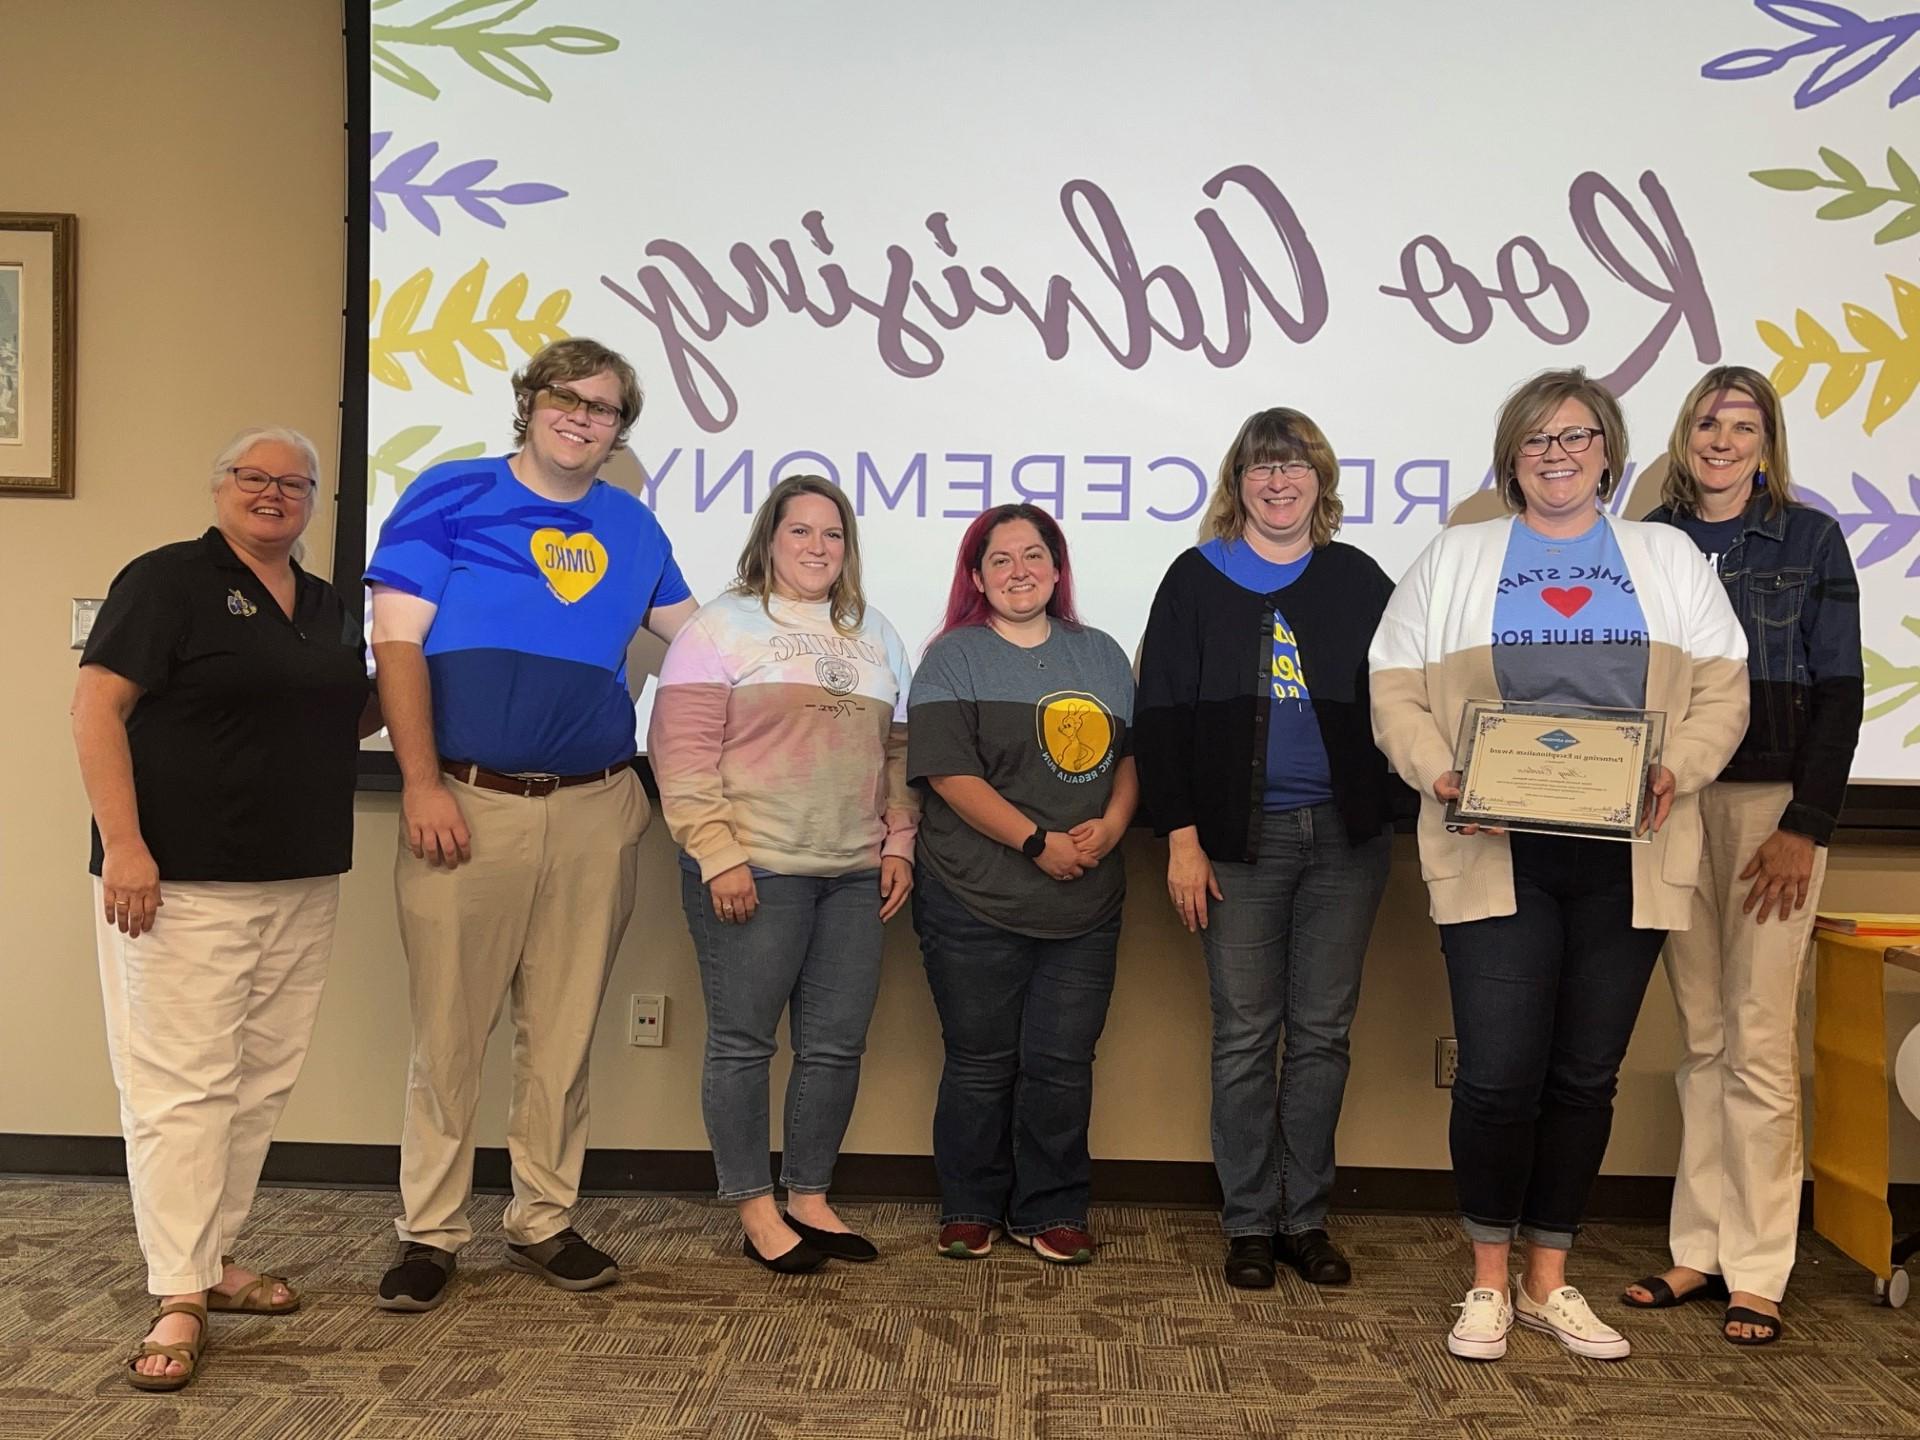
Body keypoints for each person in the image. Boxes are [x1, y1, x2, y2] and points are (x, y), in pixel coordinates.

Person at [1369, 367, 1748, 1362]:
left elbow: (1724, 692)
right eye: (1538, 440)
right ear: (1513, 457)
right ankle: (1488, 1282)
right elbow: (1394, 687)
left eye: (1577, 438)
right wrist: (1441, 772)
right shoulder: (1456, 557)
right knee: (1497, 1075)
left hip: (1631, 850)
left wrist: (1679, 767)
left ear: (1609, 453)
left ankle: (1549, 1280)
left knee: (1586, 1075)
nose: (1558, 456)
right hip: (1496, 848)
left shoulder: (1664, 557)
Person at [366, 337, 696, 1311]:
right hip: (465, 801)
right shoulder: (449, 493)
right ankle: (429, 1233)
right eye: (568, 397)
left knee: (562, 1034)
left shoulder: (633, 528)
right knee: (449, 1031)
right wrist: (420, 783)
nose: (583, 417)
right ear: (531, 401)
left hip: (597, 807)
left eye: (605, 409)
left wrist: (827, 632)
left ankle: (542, 1219)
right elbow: (397, 647)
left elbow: (710, 640)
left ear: (617, 429)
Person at [72, 427, 380, 1390]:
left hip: (300, 878)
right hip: (177, 881)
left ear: (316, 502)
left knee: (256, 1082)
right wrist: (125, 846)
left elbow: (349, 710)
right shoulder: (165, 582)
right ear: (219, 488)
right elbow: (94, 708)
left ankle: (210, 1259)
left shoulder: (328, 607)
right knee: (179, 1087)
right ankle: (177, 1293)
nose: (274, 494)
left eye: (295, 483)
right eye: (255, 477)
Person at [1622, 365, 1864, 1345]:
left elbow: (1841, 692)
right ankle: (1700, 1249)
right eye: (1708, 423)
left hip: (1771, 813)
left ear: (1767, 443)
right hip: (1676, 804)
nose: (1723, 440)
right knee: (1703, 1036)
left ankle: (1759, 1268)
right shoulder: (1652, 543)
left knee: (1760, 1041)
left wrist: (1806, 823)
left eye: (1744, 425)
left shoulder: (1811, 540)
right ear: (1686, 437)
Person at [1135, 407, 1401, 1291]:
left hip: (1342, 842)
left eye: (1294, 467)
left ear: (1319, 481)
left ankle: (1306, 1218)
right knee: (1246, 1036)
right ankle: (1250, 1221)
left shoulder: (1358, 579)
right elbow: (1161, 718)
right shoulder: (1194, 579)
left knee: (1323, 1035)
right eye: (1261, 468)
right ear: (1237, 483)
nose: (1278, 482)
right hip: (1232, 846)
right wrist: (1180, 838)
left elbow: (1406, 701)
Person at [648, 475, 918, 1273]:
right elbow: (683, 753)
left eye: (832, 535)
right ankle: (755, 1210)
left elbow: (897, 755)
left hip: (852, 871)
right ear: (769, 539)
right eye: (799, 532)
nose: (816, 548)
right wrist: (717, 854)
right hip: (753, 868)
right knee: (742, 1043)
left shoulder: (876, 633)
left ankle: (809, 1197)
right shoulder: (719, 627)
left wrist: (899, 840)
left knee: (835, 1047)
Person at [908, 505, 1138, 1265]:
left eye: (1034, 555)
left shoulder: (1102, 654)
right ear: (976, 576)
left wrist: (1111, 823)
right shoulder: (953, 657)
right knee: (979, 1061)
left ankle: (1053, 1208)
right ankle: (970, 1204)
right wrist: (1035, 842)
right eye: (999, 559)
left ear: (1058, 567)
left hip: (1085, 901)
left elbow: (1129, 762)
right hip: (974, 898)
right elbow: (946, 772)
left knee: (1063, 1064)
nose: (1019, 572)